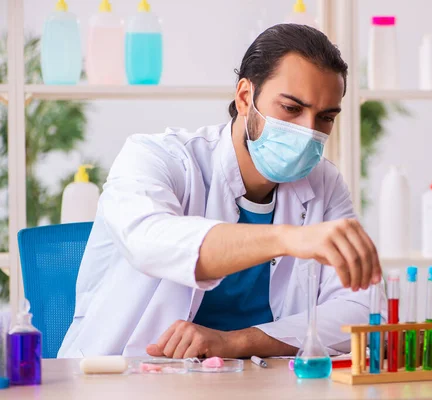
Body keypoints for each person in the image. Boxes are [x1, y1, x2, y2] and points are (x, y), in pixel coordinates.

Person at [58, 24, 382, 359]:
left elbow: (361, 308)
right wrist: (288, 239)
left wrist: (236, 342)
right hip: (125, 376)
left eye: (325, 117)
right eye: (291, 108)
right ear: (245, 97)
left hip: (256, 381)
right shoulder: (157, 157)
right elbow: (148, 242)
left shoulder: (324, 184)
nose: (308, 131)